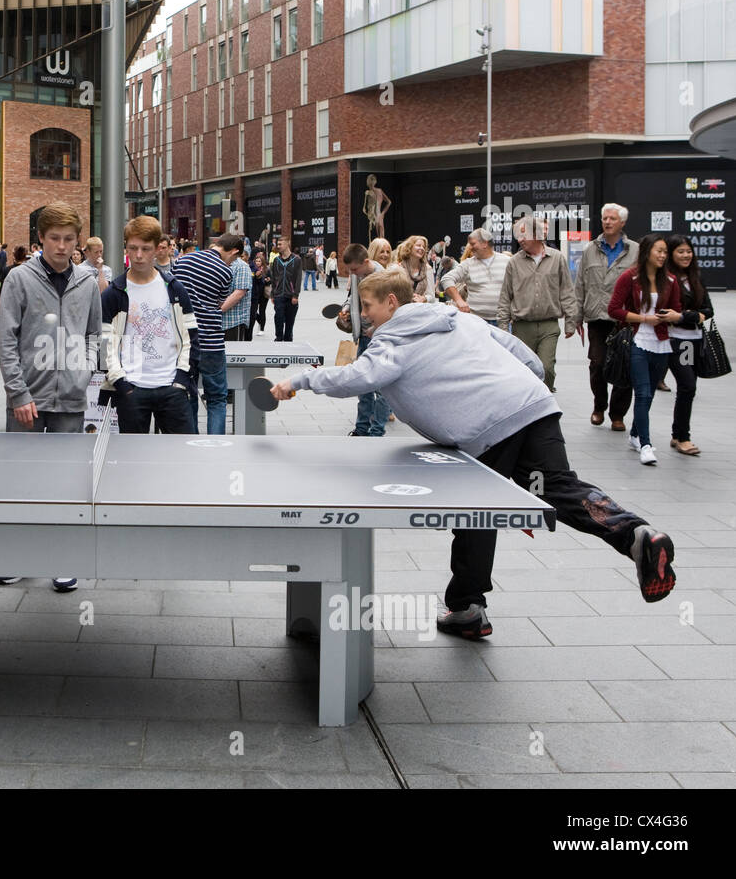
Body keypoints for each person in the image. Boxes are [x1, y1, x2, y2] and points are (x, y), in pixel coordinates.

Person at [272, 270, 676, 637]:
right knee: (557, 486)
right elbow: (528, 358)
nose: (365, 313)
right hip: (534, 406)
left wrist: (300, 379)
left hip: (487, 429)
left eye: (368, 306)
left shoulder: (392, 342)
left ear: (391, 303)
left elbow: (356, 378)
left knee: (475, 516)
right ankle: (635, 533)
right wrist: (515, 392)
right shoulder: (457, 317)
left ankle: (467, 607)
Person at [0, 202, 101, 592]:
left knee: (66, 482)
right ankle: (17, 556)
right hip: (27, 397)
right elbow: (5, 339)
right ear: (40, 238)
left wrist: (84, 370)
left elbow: (93, 334)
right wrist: (17, 392)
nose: (60, 245)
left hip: (71, 396)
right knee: (21, 480)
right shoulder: (19, 279)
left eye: (68, 239)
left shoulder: (87, 282)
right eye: (53, 238)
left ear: (77, 241)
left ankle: (62, 559)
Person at [99, 215, 198, 434]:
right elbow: (104, 344)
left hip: (172, 386)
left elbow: (191, 337)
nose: (138, 255)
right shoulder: (114, 293)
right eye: (133, 248)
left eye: (145, 248)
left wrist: (181, 378)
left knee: (182, 457)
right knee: (133, 462)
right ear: (126, 248)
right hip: (132, 388)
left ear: (157, 249)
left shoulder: (174, 288)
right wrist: (121, 383)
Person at [608, 233, 682, 466]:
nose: (663, 255)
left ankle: (635, 435)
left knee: (648, 393)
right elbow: (614, 309)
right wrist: (643, 318)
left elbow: (678, 309)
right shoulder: (629, 277)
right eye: (658, 251)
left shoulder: (670, 280)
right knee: (643, 393)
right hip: (637, 339)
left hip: (662, 342)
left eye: (665, 252)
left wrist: (671, 316)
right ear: (647, 251)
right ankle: (646, 445)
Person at [494, 216, 580, 392]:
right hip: (522, 327)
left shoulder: (557, 258)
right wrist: (503, 327)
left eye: (524, 235)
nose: (520, 239)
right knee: (525, 371)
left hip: (549, 325)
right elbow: (505, 297)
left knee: (546, 368)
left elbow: (567, 291)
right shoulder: (514, 262)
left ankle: (543, 404)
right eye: (518, 235)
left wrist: (571, 321)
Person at [575, 203, 639, 431]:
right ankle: (599, 406)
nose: (608, 222)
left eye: (612, 218)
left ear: (622, 223)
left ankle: (618, 414)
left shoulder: (636, 251)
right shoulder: (590, 249)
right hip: (597, 317)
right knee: (597, 365)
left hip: (625, 320)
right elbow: (580, 285)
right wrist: (576, 317)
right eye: (605, 218)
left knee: (625, 367)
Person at [173, 233, 240, 434]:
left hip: (185, 341)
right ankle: (215, 445)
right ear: (234, 251)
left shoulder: (182, 260)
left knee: (188, 394)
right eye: (235, 258)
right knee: (217, 398)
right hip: (212, 342)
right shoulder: (225, 271)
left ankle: (192, 441)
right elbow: (219, 304)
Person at [661, 236, 712, 456]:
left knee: (687, 388)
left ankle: (677, 433)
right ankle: (683, 437)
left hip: (695, 341)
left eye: (688, 251)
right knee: (688, 385)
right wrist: (692, 316)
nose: (685, 255)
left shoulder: (696, 277)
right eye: (680, 251)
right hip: (675, 340)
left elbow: (708, 311)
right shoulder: (666, 279)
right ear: (671, 254)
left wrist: (683, 316)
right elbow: (665, 313)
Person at [337, 242, 392, 436]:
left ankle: (376, 430)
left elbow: (389, 309)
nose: (352, 273)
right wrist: (346, 309)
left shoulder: (382, 278)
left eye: (355, 269)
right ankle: (361, 429)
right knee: (363, 384)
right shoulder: (356, 275)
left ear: (366, 261)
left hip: (380, 337)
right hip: (363, 335)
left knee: (382, 388)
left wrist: (376, 328)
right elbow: (353, 298)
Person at [442, 227, 510, 325]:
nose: (470, 247)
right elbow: (446, 279)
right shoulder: (468, 264)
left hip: (503, 321)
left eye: (473, 244)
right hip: (476, 321)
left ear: (485, 243)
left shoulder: (506, 261)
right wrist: (459, 300)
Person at [268, 236, 302, 341]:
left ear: (287, 243)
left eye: (280, 244)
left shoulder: (296, 259)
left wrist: (295, 295)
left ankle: (288, 339)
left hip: (291, 295)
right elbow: (274, 278)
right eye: (277, 244)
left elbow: (298, 278)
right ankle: (278, 337)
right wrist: (272, 294)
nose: (278, 246)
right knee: (278, 317)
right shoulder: (276, 260)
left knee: (289, 321)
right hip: (278, 295)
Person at [222, 247, 253, 342]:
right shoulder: (219, 264)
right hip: (216, 323)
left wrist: (216, 311)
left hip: (233, 322)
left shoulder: (241, 266)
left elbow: (239, 294)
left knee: (232, 354)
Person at [392, 236, 433, 302]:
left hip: (419, 309)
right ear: (410, 247)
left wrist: (423, 298)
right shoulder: (397, 268)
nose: (422, 248)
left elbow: (432, 296)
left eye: (423, 247)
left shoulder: (428, 269)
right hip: (401, 308)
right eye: (418, 245)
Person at [362, 174, 391, 241]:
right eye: (370, 180)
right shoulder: (369, 192)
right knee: (378, 236)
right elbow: (365, 207)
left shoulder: (377, 191)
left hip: (376, 215)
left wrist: (382, 213)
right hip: (374, 216)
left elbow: (389, 202)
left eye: (372, 180)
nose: (370, 183)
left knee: (379, 237)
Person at [250, 251, 271, 333]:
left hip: (263, 293)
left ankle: (262, 328)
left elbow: (271, 280)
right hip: (255, 293)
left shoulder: (267, 269)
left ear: (262, 262)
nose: (258, 263)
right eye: (256, 261)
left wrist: (267, 280)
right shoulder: (253, 269)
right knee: (253, 311)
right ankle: (259, 320)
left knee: (262, 310)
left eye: (259, 261)